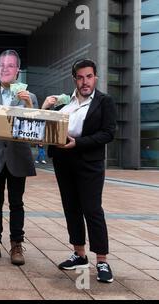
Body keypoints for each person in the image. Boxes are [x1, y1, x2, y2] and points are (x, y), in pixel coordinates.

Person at [41, 58, 117, 283]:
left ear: (95, 77)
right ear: (74, 79)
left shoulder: (104, 101)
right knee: (71, 208)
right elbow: (43, 125)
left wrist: (79, 143)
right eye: (81, 77)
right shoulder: (65, 102)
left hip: (88, 162)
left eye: (89, 77)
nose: (85, 82)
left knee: (92, 209)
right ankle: (79, 254)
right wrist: (46, 107)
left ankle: (102, 260)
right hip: (63, 160)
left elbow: (108, 133)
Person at [0, 49, 38, 265]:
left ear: (17, 71)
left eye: (10, 65)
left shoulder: (29, 97)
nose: (5, 69)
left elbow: (36, 126)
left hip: (17, 157)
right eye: (1, 65)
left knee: (16, 203)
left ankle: (16, 245)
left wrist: (29, 105)